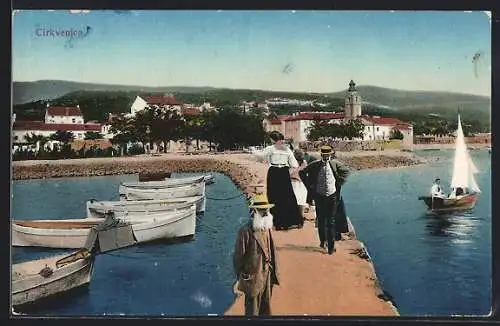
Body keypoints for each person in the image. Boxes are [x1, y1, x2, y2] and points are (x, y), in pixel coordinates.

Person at [232, 193, 280, 316]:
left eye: (266, 210)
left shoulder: (267, 227)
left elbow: (271, 251)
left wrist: (274, 271)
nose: (265, 213)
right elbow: (238, 258)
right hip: (253, 280)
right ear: (254, 211)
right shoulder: (245, 231)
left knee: (266, 309)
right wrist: (239, 280)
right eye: (262, 210)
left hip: (267, 275)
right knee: (252, 313)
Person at [299, 145, 350, 255]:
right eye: (324, 155)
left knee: (331, 221)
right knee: (321, 220)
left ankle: (331, 247)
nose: (326, 157)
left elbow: (346, 171)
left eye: (328, 155)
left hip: (332, 196)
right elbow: (302, 173)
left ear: (331, 155)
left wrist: (339, 182)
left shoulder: (335, 164)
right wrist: (309, 186)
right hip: (319, 196)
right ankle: (323, 241)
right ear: (321, 154)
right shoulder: (315, 165)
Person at [261, 131, 303, 230]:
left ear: (273, 139)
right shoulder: (287, 149)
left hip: (274, 172)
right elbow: (295, 164)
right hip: (284, 172)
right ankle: (292, 221)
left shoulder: (270, 148)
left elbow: (261, 156)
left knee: (273, 195)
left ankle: (277, 222)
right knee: (287, 195)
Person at [291, 149, 309, 220]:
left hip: (301, 183)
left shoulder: (304, 162)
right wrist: (300, 168)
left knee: (301, 201)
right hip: (293, 182)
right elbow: (290, 173)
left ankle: (300, 218)